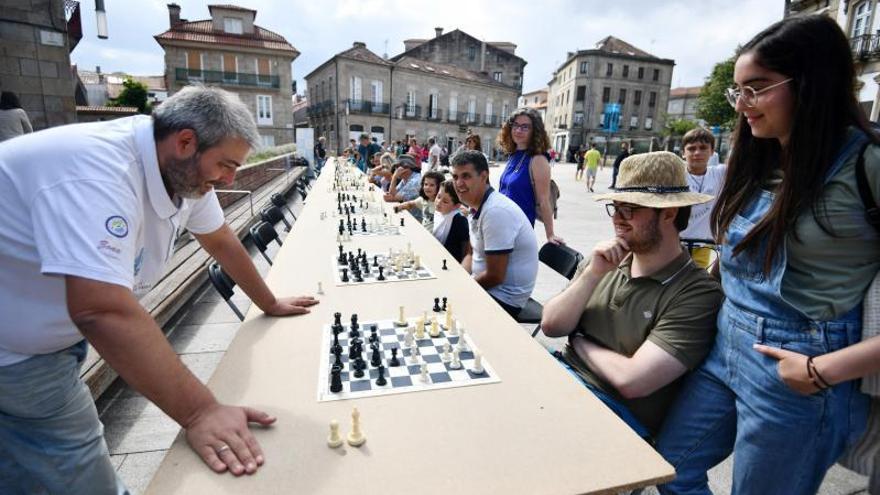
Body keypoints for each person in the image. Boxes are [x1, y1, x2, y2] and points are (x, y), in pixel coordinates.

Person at [0, 86, 320, 494]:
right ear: (185, 141)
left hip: (41, 331)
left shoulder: (179, 170)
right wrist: (201, 412)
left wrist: (269, 301)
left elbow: (221, 239)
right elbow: (101, 311)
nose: (230, 178)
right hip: (18, 354)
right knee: (86, 477)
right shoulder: (101, 172)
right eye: (225, 164)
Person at [656, 15, 880, 495]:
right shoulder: (760, 157)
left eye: (756, 89)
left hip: (801, 364)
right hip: (726, 346)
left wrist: (822, 371)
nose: (743, 106)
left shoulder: (867, 164)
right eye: (738, 92)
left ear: (810, 83)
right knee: (669, 467)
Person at [541, 151, 721, 439]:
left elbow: (632, 381)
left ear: (670, 213)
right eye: (616, 208)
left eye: (631, 209)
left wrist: (580, 341)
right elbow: (551, 325)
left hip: (615, 418)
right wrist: (592, 275)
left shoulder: (697, 293)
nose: (619, 220)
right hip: (564, 384)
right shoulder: (605, 261)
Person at [452, 150, 538, 318]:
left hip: (505, 298)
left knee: (443, 315)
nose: (459, 183)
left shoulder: (495, 212)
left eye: (466, 176)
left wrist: (463, 289)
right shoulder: (476, 205)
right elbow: (472, 251)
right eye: (455, 177)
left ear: (484, 176)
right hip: (489, 287)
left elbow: (495, 276)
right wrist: (460, 278)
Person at [497, 107, 564, 244]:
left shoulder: (538, 160)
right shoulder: (514, 155)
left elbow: (544, 200)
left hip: (518, 231)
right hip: (501, 226)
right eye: (515, 125)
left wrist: (550, 234)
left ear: (535, 131)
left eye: (525, 127)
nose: (518, 130)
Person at [678, 128, 726, 269]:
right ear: (683, 153)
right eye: (691, 149)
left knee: (696, 284)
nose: (697, 153)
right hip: (675, 244)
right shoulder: (676, 175)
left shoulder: (720, 173)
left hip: (704, 244)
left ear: (712, 152)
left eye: (703, 148)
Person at [433, 180, 471, 263]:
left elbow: (465, 246)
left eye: (445, 202)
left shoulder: (459, 220)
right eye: (438, 197)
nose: (439, 202)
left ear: (456, 206)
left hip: (451, 262)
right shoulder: (437, 212)